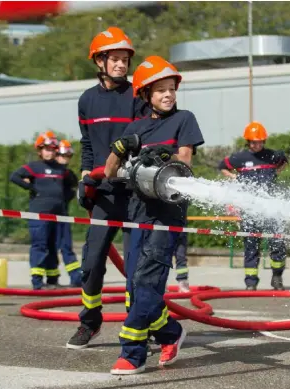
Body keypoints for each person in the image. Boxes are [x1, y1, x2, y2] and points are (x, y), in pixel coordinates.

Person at [104, 55, 204, 374]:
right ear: (146, 95)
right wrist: (120, 149)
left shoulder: (184, 119)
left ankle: (131, 352)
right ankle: (171, 333)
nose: (168, 94)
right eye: (160, 89)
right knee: (135, 286)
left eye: (171, 88)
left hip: (169, 214)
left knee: (148, 281)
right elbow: (110, 172)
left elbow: (185, 159)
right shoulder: (135, 128)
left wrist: (163, 155)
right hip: (138, 213)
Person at [66, 27, 149, 349]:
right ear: (99, 61)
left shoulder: (137, 96)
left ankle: (137, 324)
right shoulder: (86, 99)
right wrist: (86, 174)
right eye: (114, 58)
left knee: (135, 265)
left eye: (125, 59)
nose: (121, 64)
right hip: (103, 192)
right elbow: (87, 143)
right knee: (92, 260)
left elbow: (145, 139)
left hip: (133, 191)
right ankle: (90, 321)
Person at [218, 122, 288, 291]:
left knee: (277, 243)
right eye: (253, 142)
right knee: (251, 245)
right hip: (250, 209)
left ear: (264, 141)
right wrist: (234, 178)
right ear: (248, 142)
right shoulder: (240, 158)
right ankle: (251, 282)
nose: (257, 145)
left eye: (260, 141)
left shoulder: (272, 156)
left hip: (271, 208)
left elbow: (284, 161)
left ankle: (277, 277)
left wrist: (276, 173)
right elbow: (222, 166)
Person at [10, 131, 72, 290]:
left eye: (52, 149)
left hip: (58, 215)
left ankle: (52, 280)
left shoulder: (61, 169)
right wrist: (31, 188)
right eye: (46, 149)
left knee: (53, 246)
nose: (49, 152)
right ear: (39, 150)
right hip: (39, 213)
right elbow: (15, 176)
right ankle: (37, 282)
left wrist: (66, 198)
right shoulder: (33, 167)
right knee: (40, 245)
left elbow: (71, 183)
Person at [55, 140, 82, 287]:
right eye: (62, 154)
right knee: (47, 247)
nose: (65, 158)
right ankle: (46, 280)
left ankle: (75, 277)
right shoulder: (47, 171)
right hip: (46, 216)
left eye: (68, 155)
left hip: (62, 214)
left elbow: (74, 188)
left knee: (66, 245)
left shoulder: (68, 174)